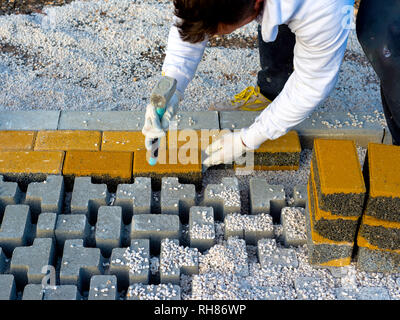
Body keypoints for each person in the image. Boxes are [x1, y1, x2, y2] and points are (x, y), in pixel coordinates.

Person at [142, 0, 400, 167]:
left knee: (387, 42)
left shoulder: (322, 8)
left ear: (256, 4)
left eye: (221, 32)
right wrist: (172, 83)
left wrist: (248, 140)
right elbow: (194, 19)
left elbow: (312, 84)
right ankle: (274, 88)